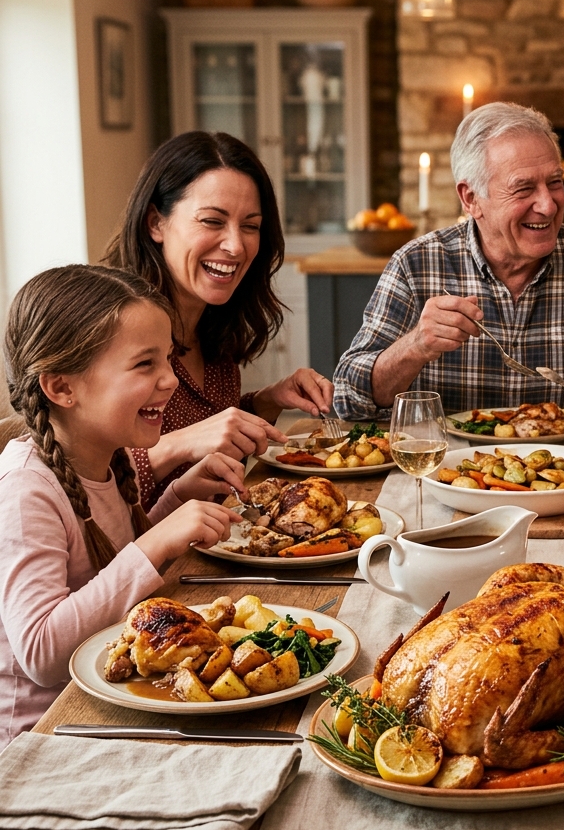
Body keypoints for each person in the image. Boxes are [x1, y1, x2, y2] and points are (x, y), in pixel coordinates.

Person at [0, 265, 246, 749]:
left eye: (169, 359)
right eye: (144, 364)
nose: (169, 380)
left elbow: (105, 568)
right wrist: (156, 543)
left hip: (111, 702)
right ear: (62, 388)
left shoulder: (107, 455)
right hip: (47, 735)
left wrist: (179, 499)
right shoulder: (26, 490)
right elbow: (42, 654)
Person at [333, 103, 564, 422]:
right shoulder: (416, 265)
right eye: (523, 188)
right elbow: (348, 397)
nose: (548, 205)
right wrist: (416, 346)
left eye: (555, 182)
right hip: (449, 467)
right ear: (471, 198)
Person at [105, 131, 334, 509]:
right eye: (212, 221)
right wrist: (180, 445)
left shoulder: (214, 323)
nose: (236, 245)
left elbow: (210, 427)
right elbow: (77, 479)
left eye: (250, 226)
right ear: (155, 223)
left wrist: (266, 400)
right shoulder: (110, 329)